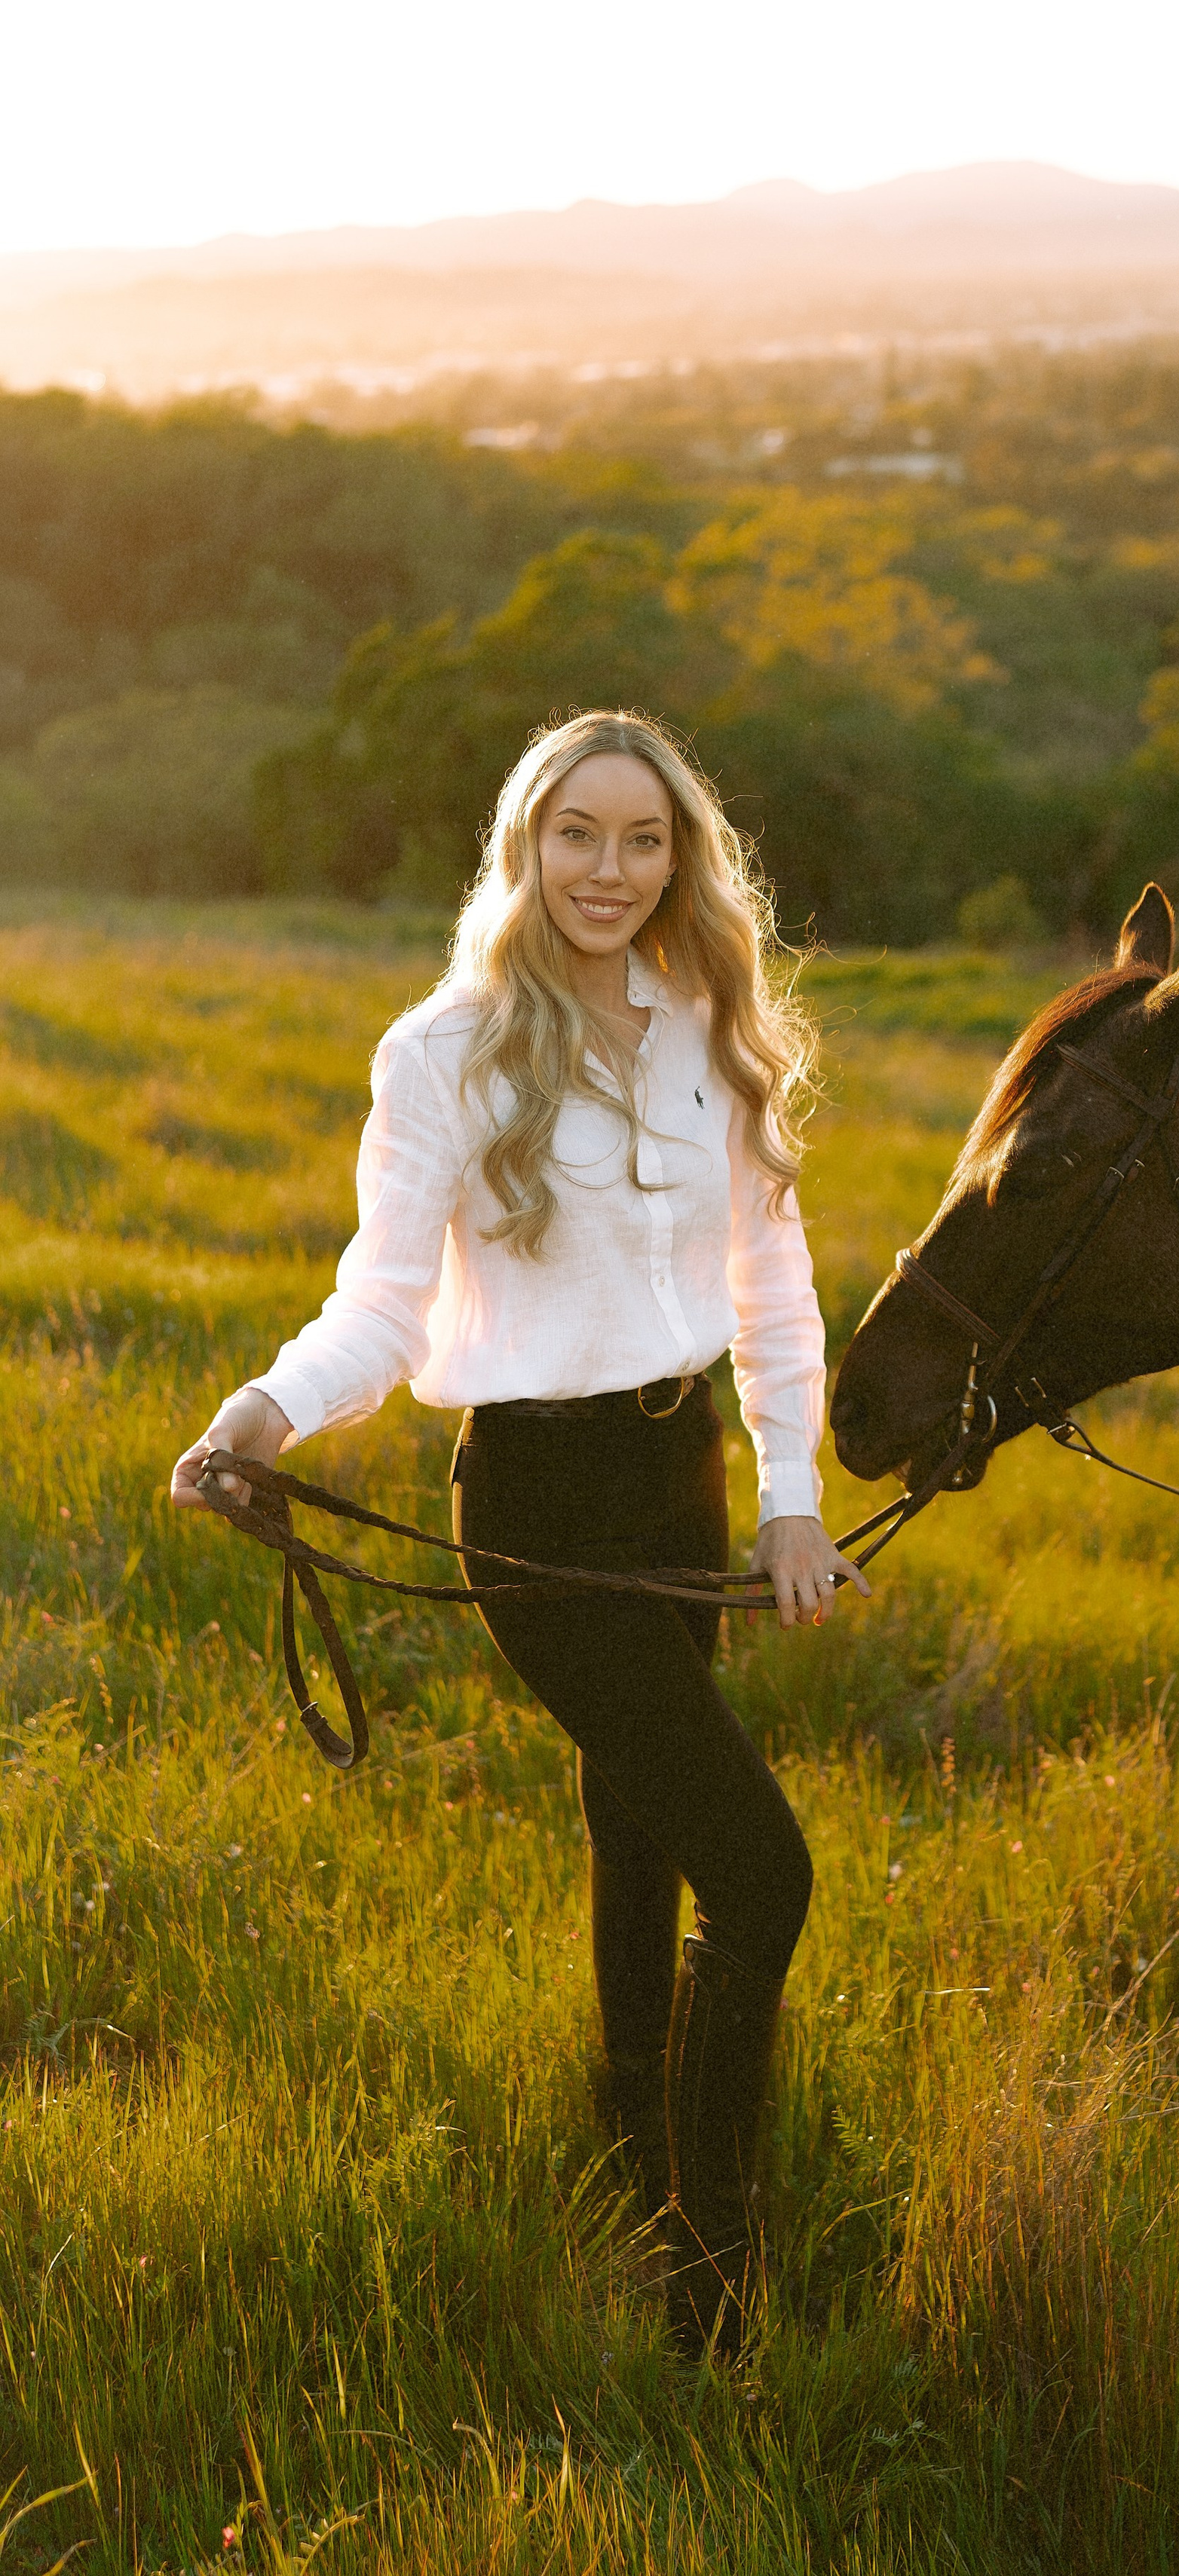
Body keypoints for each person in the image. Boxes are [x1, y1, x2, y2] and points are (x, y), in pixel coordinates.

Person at [171, 707, 865, 2360]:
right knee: (760, 1873)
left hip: (680, 1476)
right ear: (522, 845)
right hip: (538, 1506)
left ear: (681, 856)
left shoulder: (717, 1030)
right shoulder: (444, 1049)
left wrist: (786, 1501)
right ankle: (714, 2272)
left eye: (642, 840)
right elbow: (384, 1303)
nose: (609, 871)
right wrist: (261, 1416)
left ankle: (636, 2144)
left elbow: (774, 1289)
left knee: (640, 1835)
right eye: (577, 837)